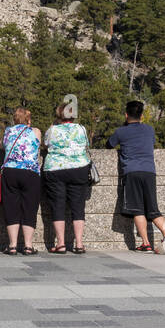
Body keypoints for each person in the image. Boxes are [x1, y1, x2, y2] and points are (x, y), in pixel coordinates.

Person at [107, 100, 165, 252]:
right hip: (149, 171)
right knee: (152, 208)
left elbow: (109, 145)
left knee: (137, 209)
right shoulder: (149, 130)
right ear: (141, 115)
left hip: (131, 171)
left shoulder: (121, 131)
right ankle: (163, 233)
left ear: (126, 114)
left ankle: (148, 242)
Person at [42, 101, 92, 254]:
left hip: (55, 169)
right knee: (78, 206)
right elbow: (86, 145)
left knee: (58, 205)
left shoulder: (52, 130)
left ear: (59, 114)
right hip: (79, 168)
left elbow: (45, 145)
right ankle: (79, 243)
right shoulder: (81, 129)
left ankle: (61, 243)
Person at [0, 108, 42, 254]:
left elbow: (2, 146)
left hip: (10, 171)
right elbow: (38, 148)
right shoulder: (35, 131)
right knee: (30, 208)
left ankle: (12, 245)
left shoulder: (8, 131)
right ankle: (28, 246)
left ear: (15, 119)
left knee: (11, 208)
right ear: (29, 120)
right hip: (30, 172)